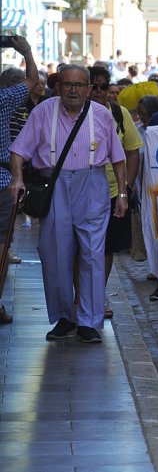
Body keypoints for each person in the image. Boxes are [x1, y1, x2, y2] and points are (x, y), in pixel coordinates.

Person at [10, 64, 128, 344]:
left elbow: (118, 157)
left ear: (88, 89)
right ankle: (65, 317)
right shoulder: (43, 112)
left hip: (93, 184)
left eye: (79, 85)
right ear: (58, 87)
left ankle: (88, 320)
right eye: (68, 84)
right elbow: (18, 150)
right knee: (55, 253)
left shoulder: (101, 114)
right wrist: (17, 179)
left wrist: (122, 194)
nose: (73, 90)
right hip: (55, 185)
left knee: (92, 254)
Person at [88, 66, 144, 319]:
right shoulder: (77, 113)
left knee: (106, 247)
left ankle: (98, 295)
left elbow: (133, 151)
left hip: (112, 191)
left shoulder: (120, 115)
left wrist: (126, 188)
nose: (99, 91)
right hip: (82, 190)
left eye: (104, 87)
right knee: (80, 248)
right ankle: (81, 297)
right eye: (95, 86)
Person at [0, 36, 39, 324]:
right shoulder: (4, 98)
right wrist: (25, 50)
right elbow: (34, 80)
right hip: (1, 179)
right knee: (1, 242)